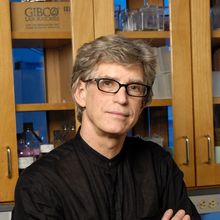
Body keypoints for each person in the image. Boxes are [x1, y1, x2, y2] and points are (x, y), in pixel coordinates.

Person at [12, 35, 201, 220]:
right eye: (108, 83)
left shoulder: (159, 163)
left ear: (143, 103)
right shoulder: (40, 183)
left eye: (134, 87)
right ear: (81, 93)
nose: (122, 99)